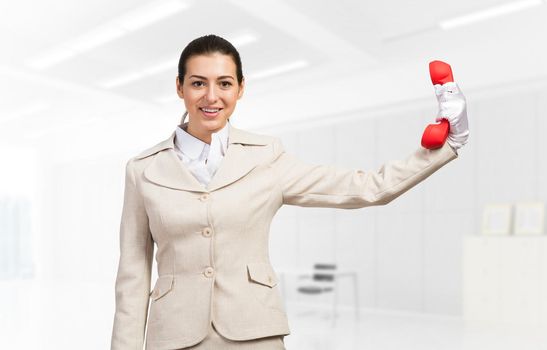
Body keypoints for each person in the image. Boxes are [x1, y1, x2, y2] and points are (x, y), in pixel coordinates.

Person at [110, 34, 469, 350]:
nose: (212, 96)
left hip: (255, 332)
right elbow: (133, 275)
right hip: (173, 336)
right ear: (179, 87)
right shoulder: (143, 169)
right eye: (198, 83)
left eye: (224, 83)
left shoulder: (265, 157)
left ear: (240, 88)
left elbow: (367, 188)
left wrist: (448, 144)